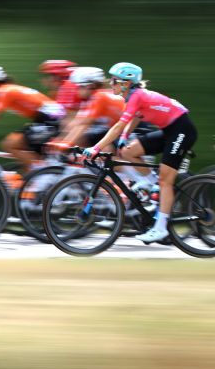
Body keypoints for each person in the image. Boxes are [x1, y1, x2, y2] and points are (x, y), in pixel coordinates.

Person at [83, 62, 197, 244]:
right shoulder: (132, 97)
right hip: (170, 129)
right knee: (128, 151)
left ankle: (160, 229)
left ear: (126, 83)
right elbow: (137, 116)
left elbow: (118, 124)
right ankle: (153, 186)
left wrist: (96, 148)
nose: (110, 84)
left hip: (182, 130)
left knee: (165, 180)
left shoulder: (137, 96)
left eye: (114, 81)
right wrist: (125, 136)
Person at [0, 66, 66, 172]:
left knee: (10, 144)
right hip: (46, 119)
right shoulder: (4, 91)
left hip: (51, 120)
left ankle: (43, 174)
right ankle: (39, 177)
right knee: (26, 157)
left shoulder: (4, 91)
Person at [49, 67, 124, 151]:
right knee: (85, 137)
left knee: (105, 147)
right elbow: (76, 123)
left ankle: (119, 163)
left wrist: (67, 144)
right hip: (115, 130)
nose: (76, 91)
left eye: (79, 87)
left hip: (129, 131)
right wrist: (60, 140)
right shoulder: (89, 99)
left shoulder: (100, 97)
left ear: (90, 86)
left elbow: (84, 124)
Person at [39, 60, 81, 126]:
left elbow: (69, 119)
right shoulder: (56, 92)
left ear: (56, 77)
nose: (42, 80)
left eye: (45, 76)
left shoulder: (68, 88)